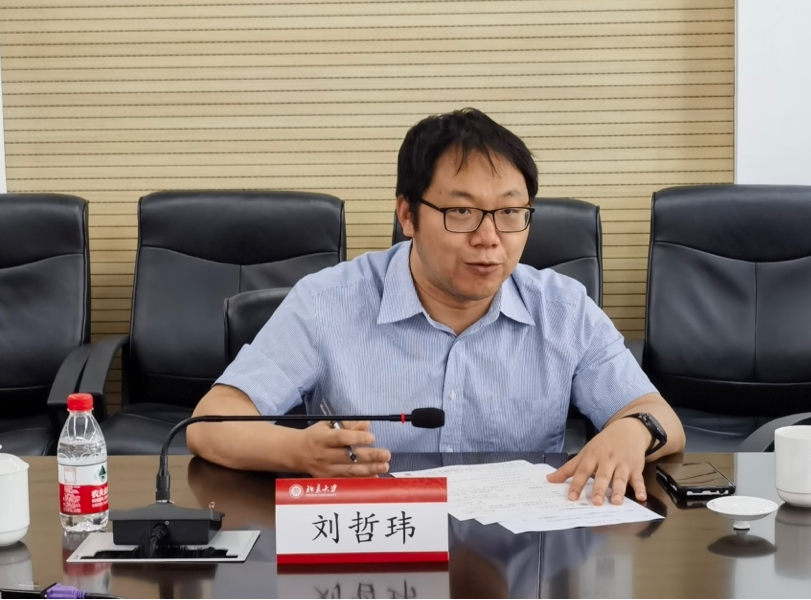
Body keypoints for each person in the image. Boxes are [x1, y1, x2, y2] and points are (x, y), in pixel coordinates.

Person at [187, 107, 686, 506]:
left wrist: (633, 431)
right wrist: (298, 451)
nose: (489, 238)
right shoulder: (327, 302)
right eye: (461, 211)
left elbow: (654, 414)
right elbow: (212, 423)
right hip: (380, 554)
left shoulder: (563, 309)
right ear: (408, 214)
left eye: (510, 212)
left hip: (517, 556)